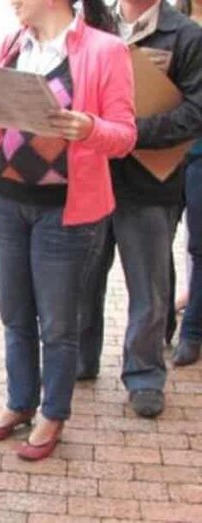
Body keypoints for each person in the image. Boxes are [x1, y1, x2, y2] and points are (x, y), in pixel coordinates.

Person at [0, 0, 136, 460]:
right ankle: (19, 403)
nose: (12, 2)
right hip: (7, 203)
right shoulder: (11, 45)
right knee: (14, 313)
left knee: (57, 323)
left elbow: (124, 134)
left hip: (66, 211)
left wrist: (88, 127)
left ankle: (53, 412)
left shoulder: (105, 50)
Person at [77, 0, 202, 417]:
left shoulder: (185, 36)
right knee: (83, 278)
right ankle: (80, 359)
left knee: (148, 287)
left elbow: (195, 113)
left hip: (151, 185)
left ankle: (145, 374)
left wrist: (126, 133)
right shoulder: (92, 24)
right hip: (92, 176)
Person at [173, 0, 202, 366]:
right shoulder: (171, 21)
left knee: (200, 247)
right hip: (164, 150)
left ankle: (192, 331)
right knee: (154, 243)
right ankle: (164, 316)